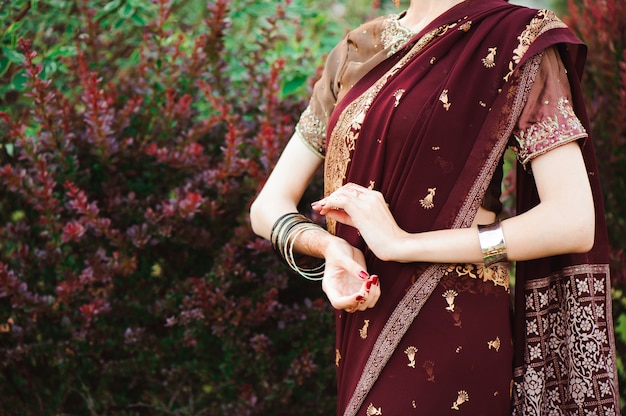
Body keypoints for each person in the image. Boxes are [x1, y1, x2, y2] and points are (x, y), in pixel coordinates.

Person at [250, 0, 621, 414]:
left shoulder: (517, 38)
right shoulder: (358, 49)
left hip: (456, 326)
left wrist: (404, 245)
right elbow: (267, 206)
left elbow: (571, 220)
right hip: (363, 315)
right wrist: (330, 248)